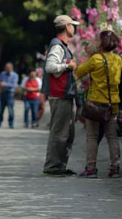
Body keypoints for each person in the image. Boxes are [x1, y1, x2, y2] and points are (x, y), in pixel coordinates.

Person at [75, 30, 122, 178]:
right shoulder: (118, 59)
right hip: (112, 103)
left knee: (92, 136)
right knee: (112, 137)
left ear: (102, 43)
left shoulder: (95, 59)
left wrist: (90, 55)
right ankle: (115, 168)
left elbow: (79, 71)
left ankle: (91, 169)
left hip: (95, 104)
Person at [42, 14, 79, 176]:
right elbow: (50, 67)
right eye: (72, 25)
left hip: (64, 94)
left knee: (67, 133)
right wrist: (67, 65)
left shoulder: (61, 45)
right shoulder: (57, 45)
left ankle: (60, 166)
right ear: (66, 27)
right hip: (59, 95)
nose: (74, 28)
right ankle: (52, 167)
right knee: (59, 132)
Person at [0, 62, 18, 128]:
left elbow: (14, 85)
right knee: (1, 110)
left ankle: (11, 124)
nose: (7, 69)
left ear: (11, 68)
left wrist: (6, 84)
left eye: (8, 68)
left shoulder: (15, 75)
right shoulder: (2, 74)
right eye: (6, 68)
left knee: (10, 110)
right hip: (3, 93)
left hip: (10, 94)